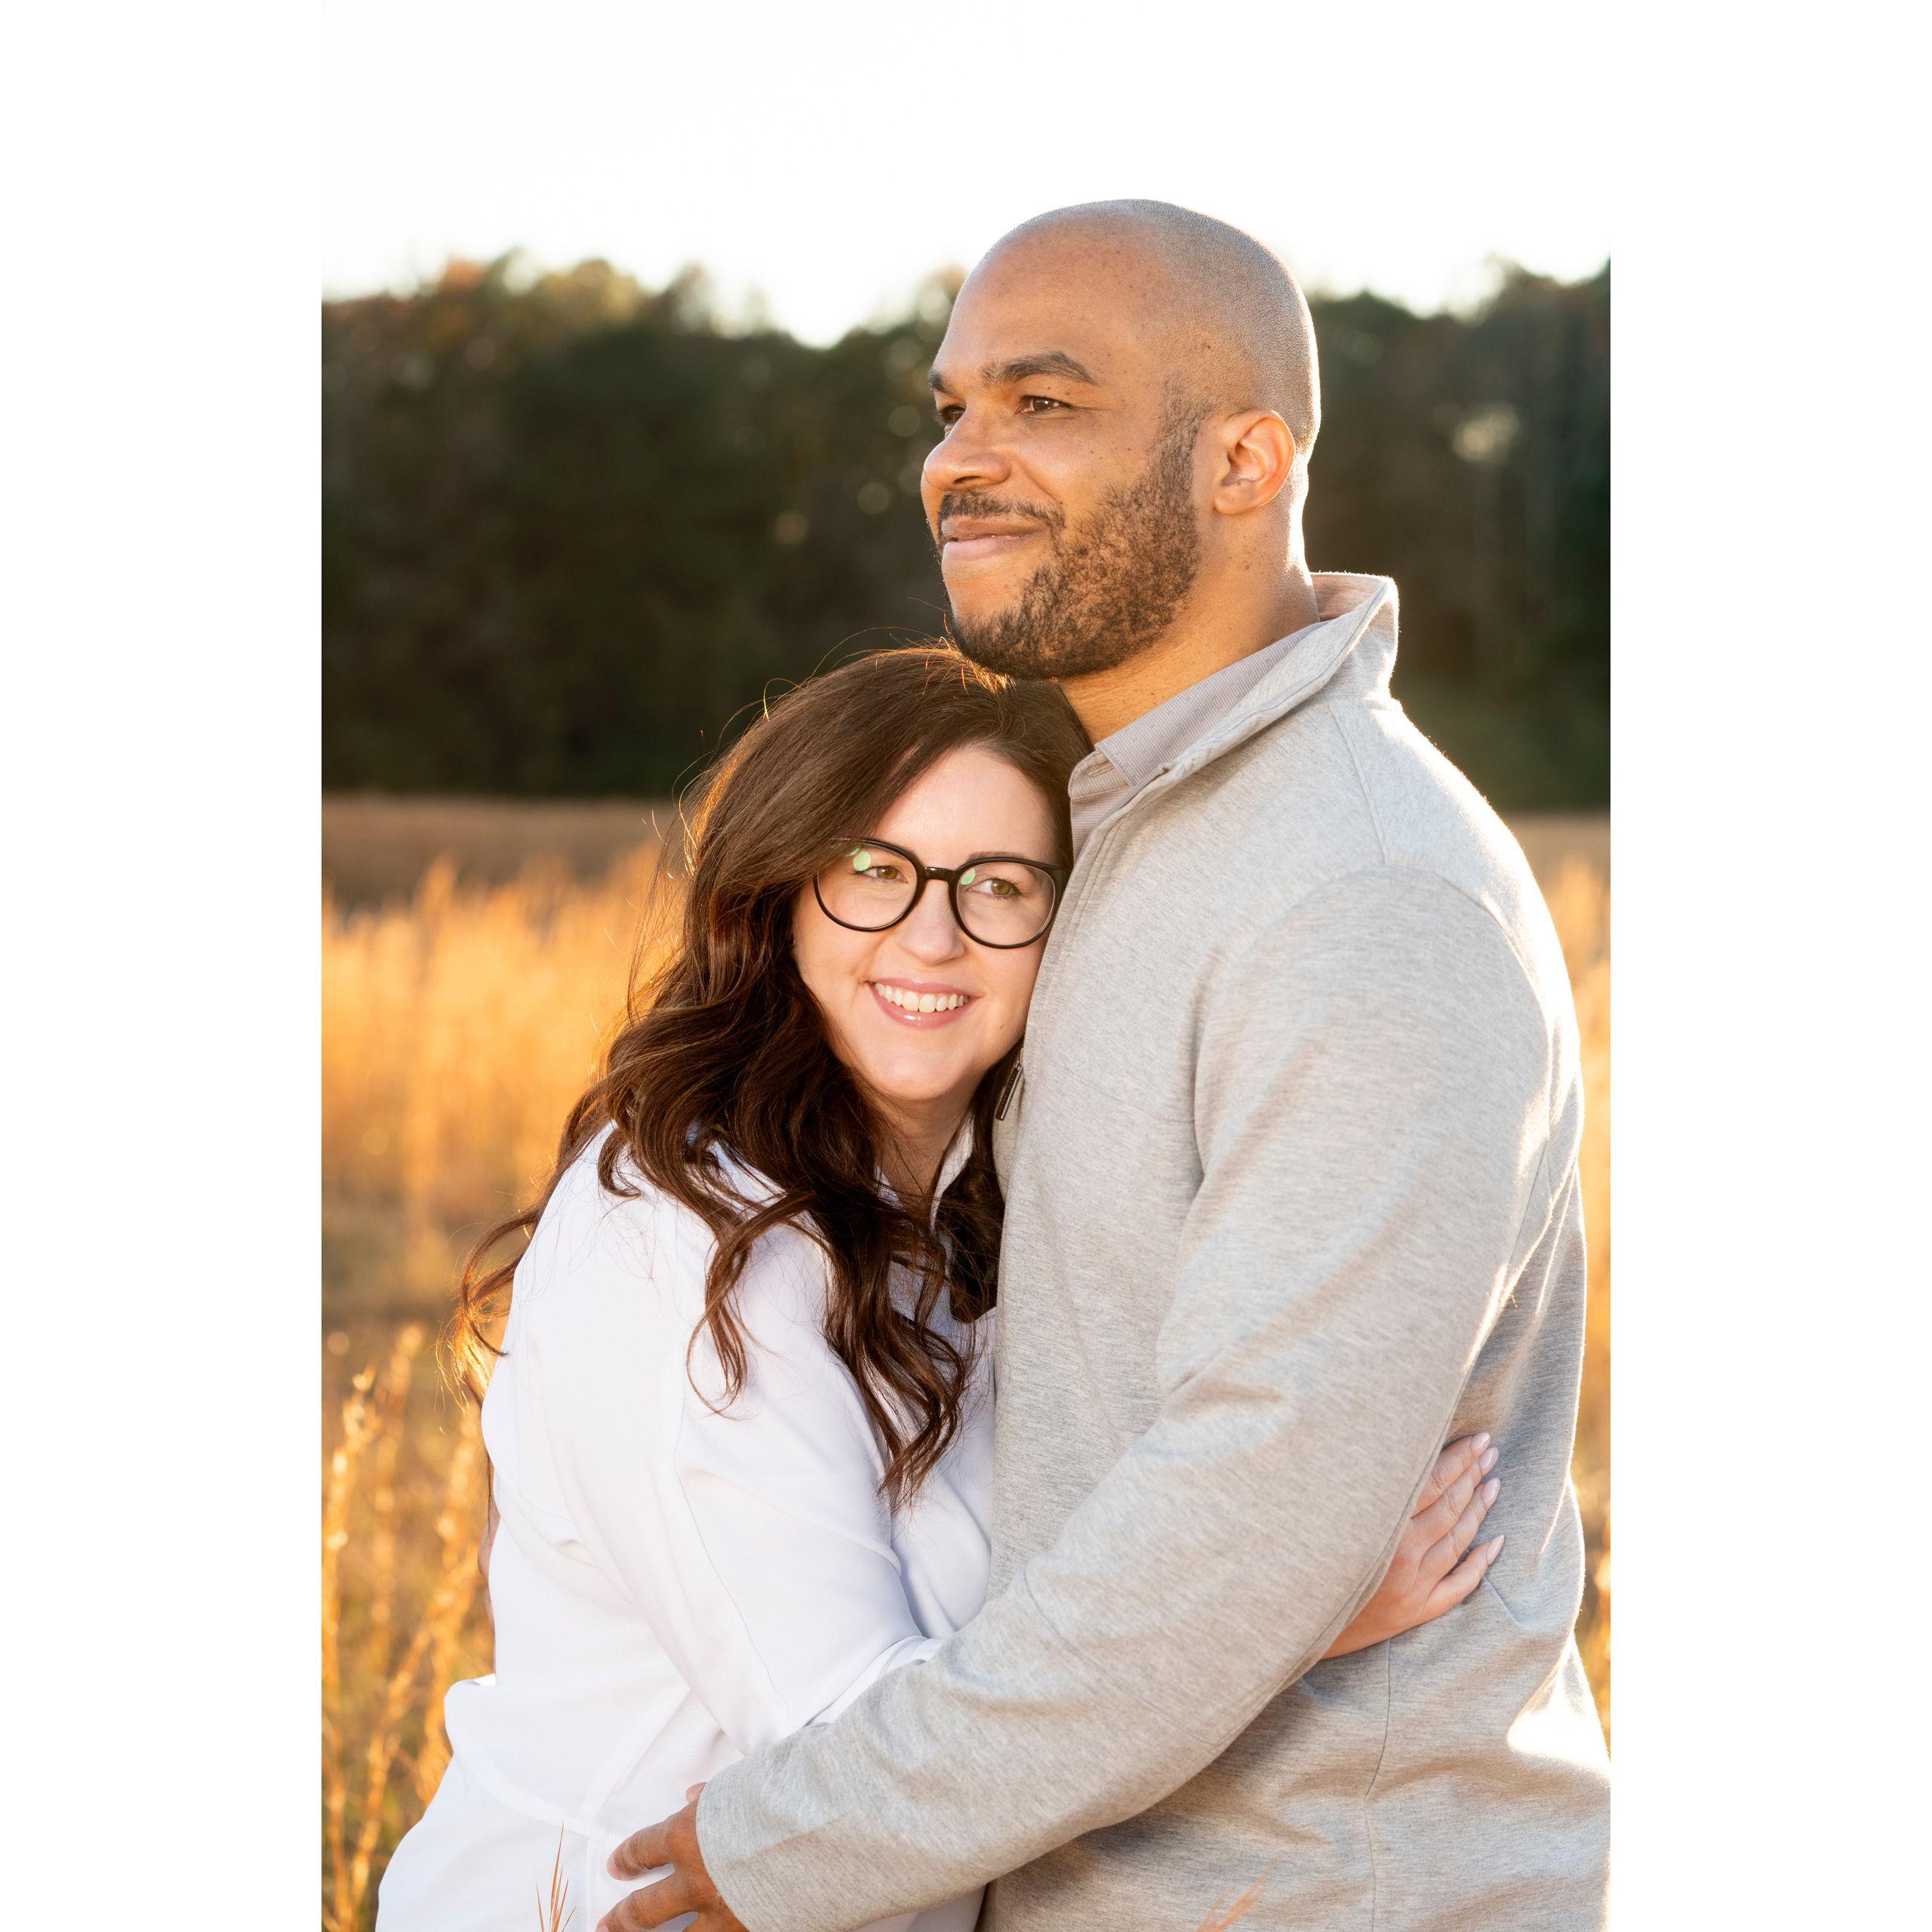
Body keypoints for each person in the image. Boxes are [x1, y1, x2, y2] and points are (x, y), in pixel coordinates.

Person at [601, 202, 1610, 1931]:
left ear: (1245, 455)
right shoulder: (1134, 828)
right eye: (950, 408)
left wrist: (803, 1835)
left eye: (1044, 403)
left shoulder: (1356, 883)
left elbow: (1242, 1515)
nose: (963, 461)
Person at [374, 646, 1503, 1932]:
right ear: (785, 891)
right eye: (874, 872)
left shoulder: (996, 1210)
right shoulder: (684, 1239)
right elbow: (856, 1762)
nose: (932, 935)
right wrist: (1285, 1615)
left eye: (1000, 886)